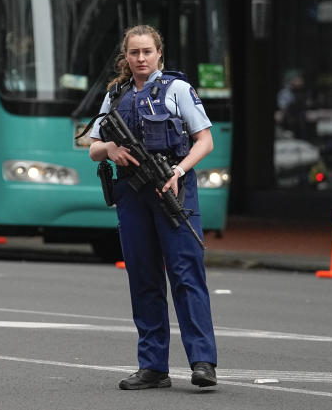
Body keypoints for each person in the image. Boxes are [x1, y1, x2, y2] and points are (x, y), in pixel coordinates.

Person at [88, 24, 218, 390]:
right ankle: (153, 366)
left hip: (172, 187)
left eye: (147, 51)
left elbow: (204, 140)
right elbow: (93, 146)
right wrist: (110, 149)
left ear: (160, 53)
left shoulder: (178, 90)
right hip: (131, 192)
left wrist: (178, 170)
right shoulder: (116, 94)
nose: (141, 58)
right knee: (143, 277)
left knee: (185, 274)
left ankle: (203, 362)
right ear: (125, 57)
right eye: (134, 52)